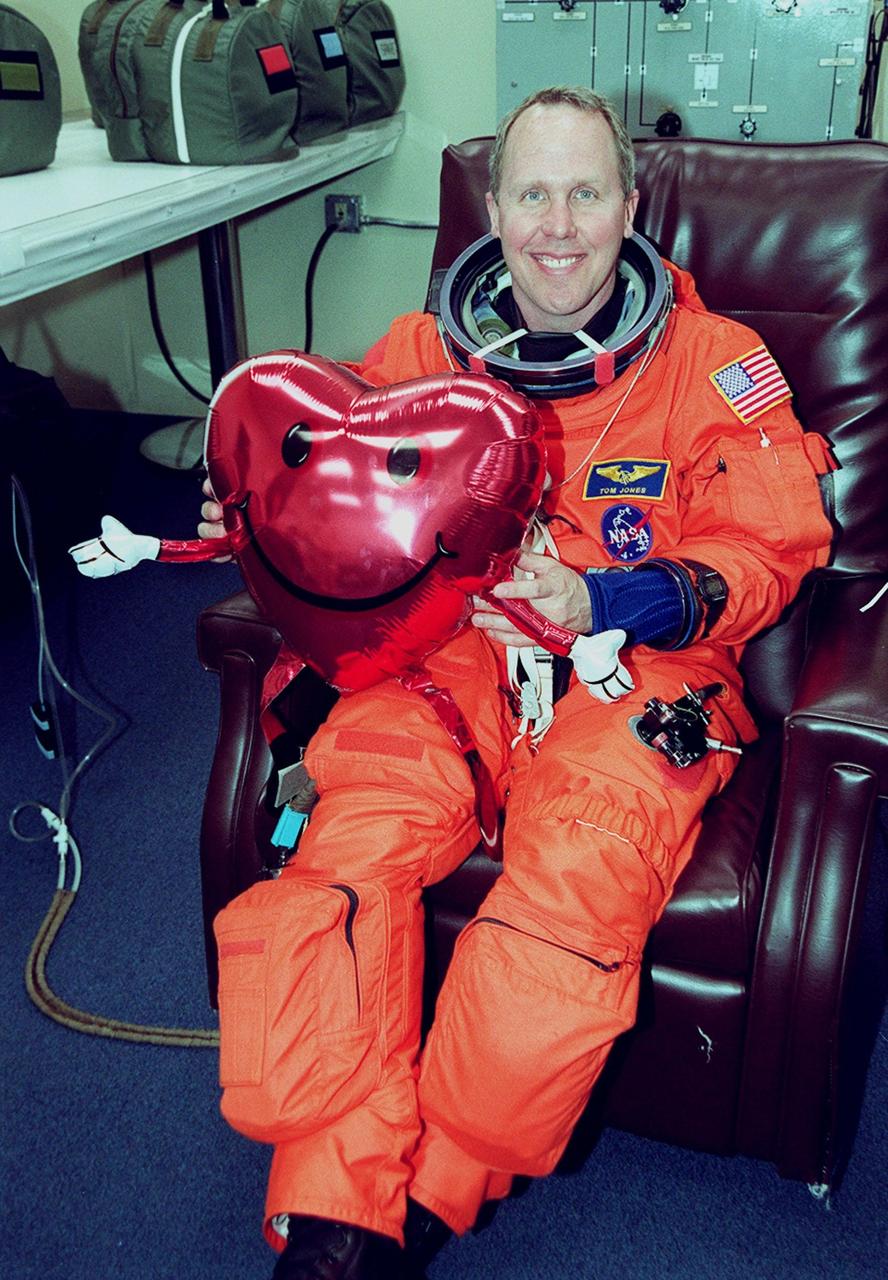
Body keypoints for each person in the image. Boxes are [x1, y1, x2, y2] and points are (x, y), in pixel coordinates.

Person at [199, 87, 834, 1280]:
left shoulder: (719, 365)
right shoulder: (416, 354)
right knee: (355, 835)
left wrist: (600, 599)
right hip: (448, 662)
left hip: (633, 673)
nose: (558, 224)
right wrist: (261, 513)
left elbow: (768, 553)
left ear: (629, 206)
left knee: (576, 877)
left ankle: (421, 1202)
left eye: (586, 192)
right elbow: (332, 490)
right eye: (531, 192)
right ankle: (335, 1220)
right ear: (490, 210)